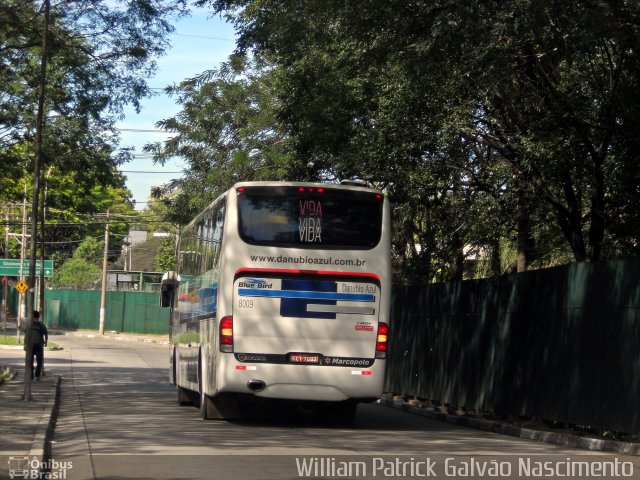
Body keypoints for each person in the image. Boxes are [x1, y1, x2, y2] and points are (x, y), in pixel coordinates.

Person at [27, 310, 48, 380]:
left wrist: (25, 344)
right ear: (38, 317)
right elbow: (46, 334)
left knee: (32, 361)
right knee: (38, 362)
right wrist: (46, 341)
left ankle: (32, 376)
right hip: (38, 346)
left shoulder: (30, 325)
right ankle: (35, 376)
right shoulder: (41, 325)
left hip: (32, 346)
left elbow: (26, 335)